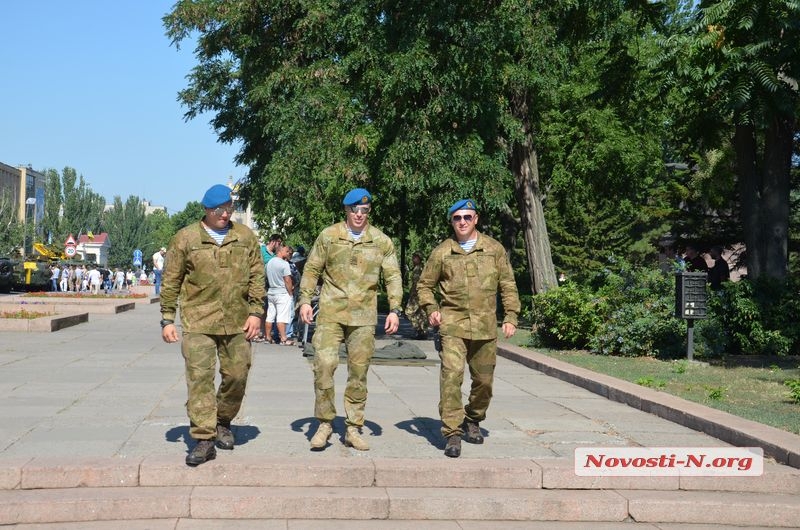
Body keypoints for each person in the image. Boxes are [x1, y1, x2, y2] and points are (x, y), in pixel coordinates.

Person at [159, 183, 266, 466]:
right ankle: (204, 438)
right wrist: (167, 319)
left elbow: (257, 276)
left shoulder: (244, 237)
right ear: (206, 210)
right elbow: (171, 280)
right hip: (198, 322)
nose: (224, 214)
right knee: (200, 379)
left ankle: (222, 420)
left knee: (238, 375)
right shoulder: (185, 239)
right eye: (218, 209)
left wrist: (256, 313)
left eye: (229, 208)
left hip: (238, 322)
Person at [298, 188, 403, 451]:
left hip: (363, 317)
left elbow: (392, 275)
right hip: (331, 313)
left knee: (358, 373)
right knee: (323, 365)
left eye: (364, 210)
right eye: (354, 210)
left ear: (369, 212)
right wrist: (304, 301)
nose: (359, 214)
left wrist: (394, 309)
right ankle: (324, 423)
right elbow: (312, 268)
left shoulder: (381, 241)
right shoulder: (329, 236)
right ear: (346, 210)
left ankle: (354, 428)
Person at [416, 199, 521, 458]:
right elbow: (424, 285)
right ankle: (452, 433)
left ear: (476, 219)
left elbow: (507, 284)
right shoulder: (442, 252)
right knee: (451, 378)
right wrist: (432, 309)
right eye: (457, 218)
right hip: (452, 326)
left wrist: (510, 316)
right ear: (452, 221)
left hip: (485, 328)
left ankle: (473, 418)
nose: (462, 222)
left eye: (467, 217)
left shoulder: (494, 250)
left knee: (484, 382)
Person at [265, 244, 295, 345]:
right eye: (286, 251)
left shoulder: (269, 262)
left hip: (271, 291)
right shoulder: (284, 264)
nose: (288, 253)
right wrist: (290, 293)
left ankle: (268, 337)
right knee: (282, 317)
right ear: (280, 251)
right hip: (282, 293)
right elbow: (287, 280)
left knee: (270, 316)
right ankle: (283, 338)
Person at [404, 251, 428, 339]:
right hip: (420, 294)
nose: (413, 259)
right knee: (420, 313)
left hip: (416, 295)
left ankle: (419, 329)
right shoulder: (421, 268)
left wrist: (412, 294)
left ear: (419, 258)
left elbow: (416, 283)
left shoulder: (418, 269)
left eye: (415, 257)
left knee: (408, 312)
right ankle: (423, 331)